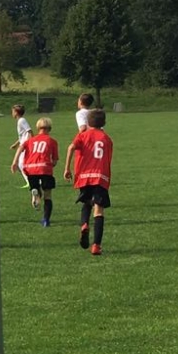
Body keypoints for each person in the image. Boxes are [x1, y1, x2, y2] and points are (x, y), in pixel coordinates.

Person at [63, 109, 113, 256]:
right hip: (100, 176)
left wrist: (67, 168)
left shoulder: (83, 135)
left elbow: (71, 147)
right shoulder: (107, 139)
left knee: (86, 203)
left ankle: (84, 223)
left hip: (84, 175)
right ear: (104, 122)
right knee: (99, 209)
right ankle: (96, 245)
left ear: (88, 122)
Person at [11, 117, 59, 226]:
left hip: (30, 169)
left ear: (37, 128)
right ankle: (46, 220)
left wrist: (14, 162)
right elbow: (55, 161)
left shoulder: (30, 140)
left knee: (35, 187)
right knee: (48, 196)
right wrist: (51, 164)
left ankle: (36, 192)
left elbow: (20, 148)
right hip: (44, 168)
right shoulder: (52, 141)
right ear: (50, 128)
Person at [9, 104, 33, 189]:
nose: (12, 113)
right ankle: (32, 180)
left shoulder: (22, 120)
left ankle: (30, 182)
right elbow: (22, 136)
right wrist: (15, 144)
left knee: (21, 164)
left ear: (16, 112)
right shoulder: (20, 121)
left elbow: (29, 132)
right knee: (20, 164)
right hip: (23, 145)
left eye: (12, 111)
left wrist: (29, 143)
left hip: (25, 146)